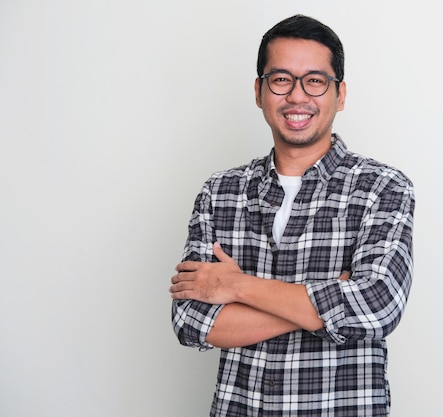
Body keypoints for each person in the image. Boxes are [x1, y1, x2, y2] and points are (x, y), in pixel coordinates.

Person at [170, 14, 415, 417]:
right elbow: (192, 322)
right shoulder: (221, 192)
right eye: (281, 79)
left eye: (315, 81)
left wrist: (236, 287)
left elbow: (376, 306)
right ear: (259, 91)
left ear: (340, 94)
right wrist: (326, 300)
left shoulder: (382, 188)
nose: (297, 96)